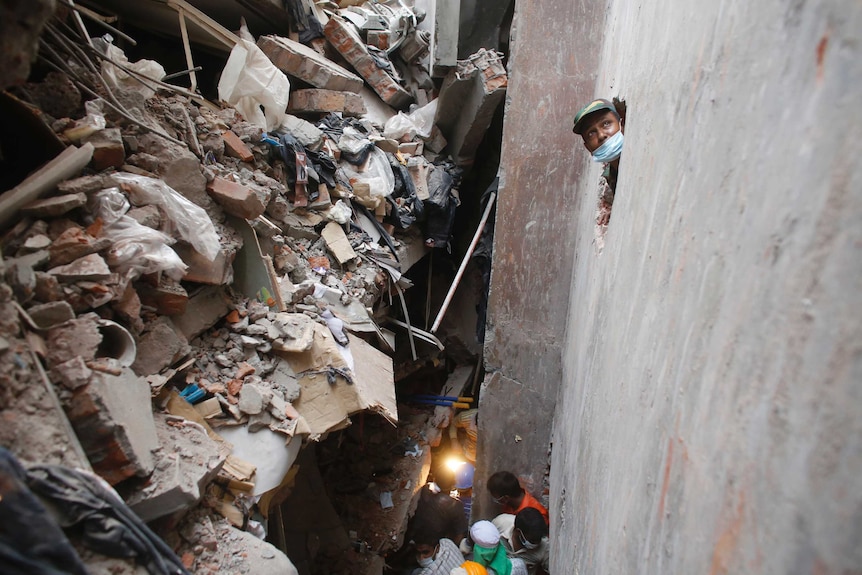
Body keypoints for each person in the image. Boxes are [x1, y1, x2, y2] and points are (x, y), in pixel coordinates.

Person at [571, 98, 625, 225]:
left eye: (606, 124)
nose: (601, 135)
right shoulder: (610, 176)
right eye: (591, 133)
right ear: (588, 147)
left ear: (621, 124)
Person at [492, 508, 550, 575]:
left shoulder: (544, 547)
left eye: (539, 540)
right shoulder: (501, 523)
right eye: (532, 540)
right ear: (518, 532)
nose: (536, 543)